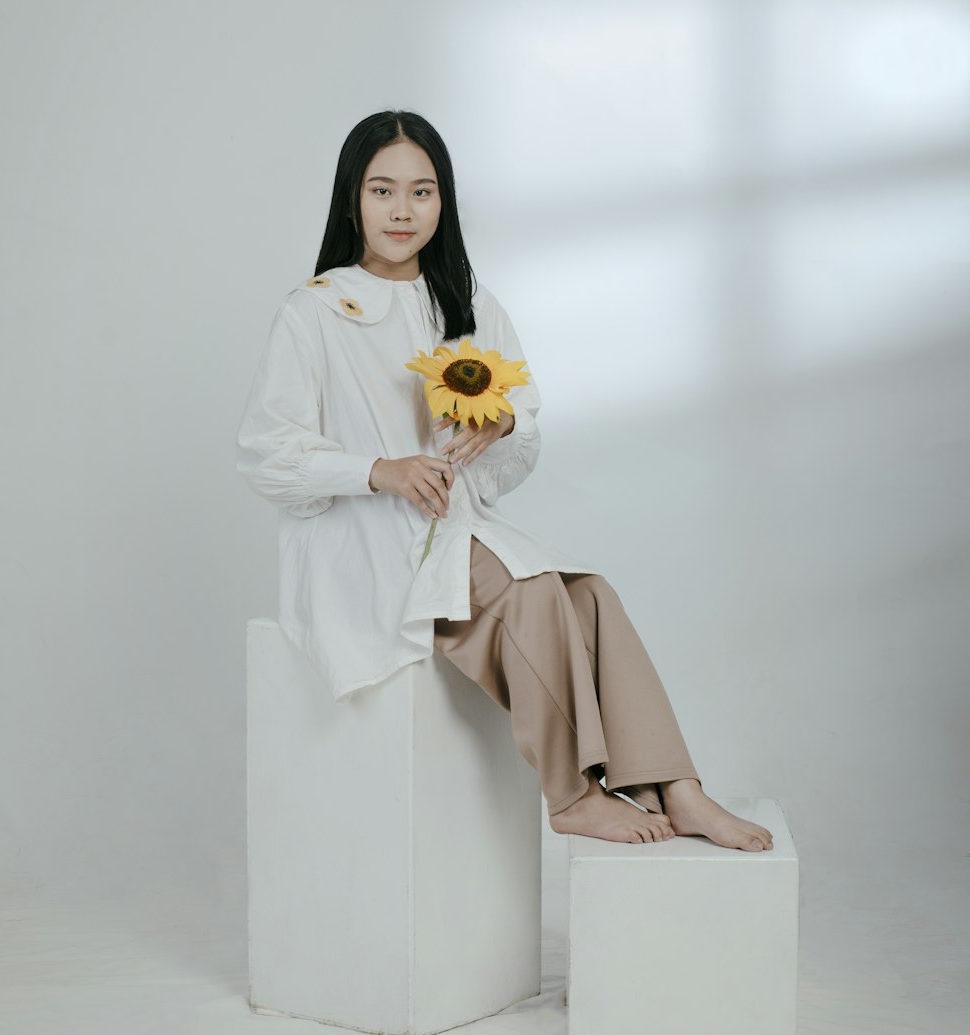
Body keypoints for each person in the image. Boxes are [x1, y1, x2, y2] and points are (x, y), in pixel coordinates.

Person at [236, 110, 773, 852]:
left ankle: (678, 788)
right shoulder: (315, 311)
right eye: (382, 190)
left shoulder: (468, 304)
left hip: (456, 527)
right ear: (351, 199)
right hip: (362, 537)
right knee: (526, 591)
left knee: (588, 595)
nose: (401, 211)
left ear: (443, 202)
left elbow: (517, 442)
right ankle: (573, 793)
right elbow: (267, 452)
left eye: (421, 193)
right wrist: (377, 471)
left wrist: (504, 429)